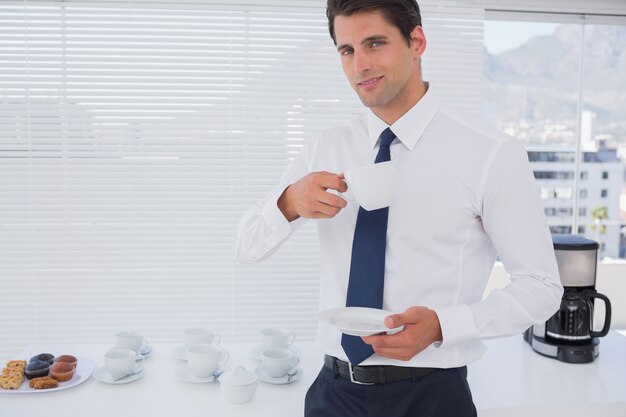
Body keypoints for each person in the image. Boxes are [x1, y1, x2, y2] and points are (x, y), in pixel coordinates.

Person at [235, 0, 563, 416]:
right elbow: (245, 247)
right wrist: (288, 203)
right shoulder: (324, 147)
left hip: (431, 397)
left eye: (376, 43)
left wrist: (445, 325)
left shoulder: (491, 155)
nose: (360, 65)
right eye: (347, 50)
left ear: (417, 41)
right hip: (332, 394)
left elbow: (541, 287)